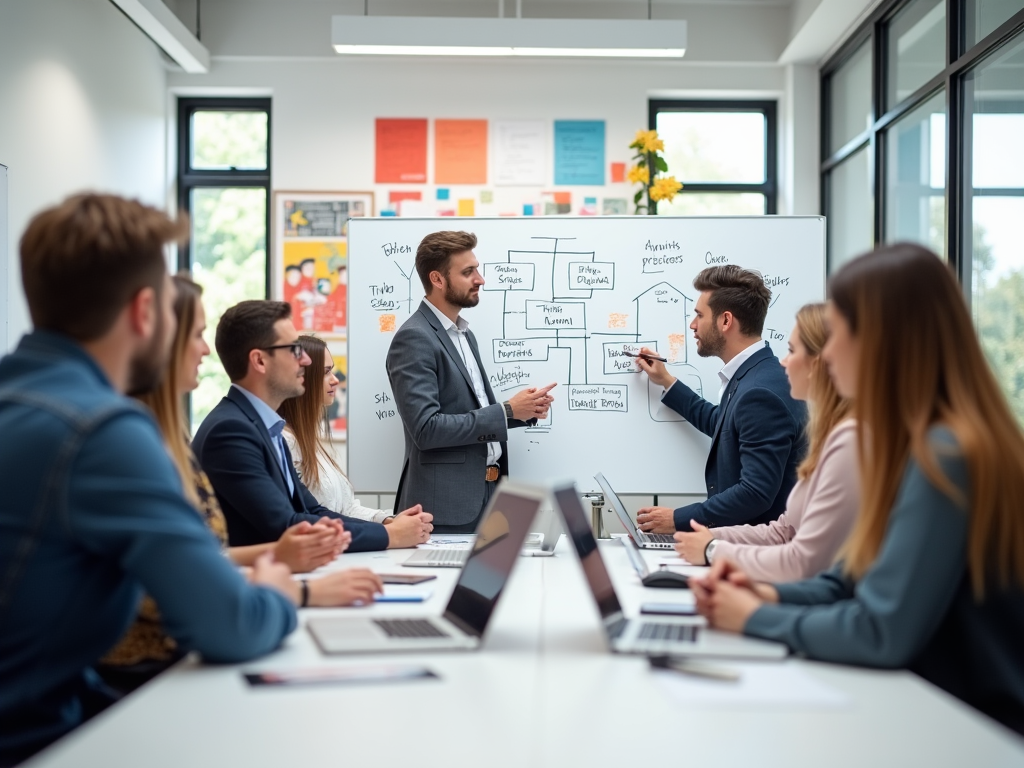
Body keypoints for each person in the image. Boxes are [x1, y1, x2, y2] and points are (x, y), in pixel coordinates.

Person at [0, 194, 298, 767]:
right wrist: (278, 595)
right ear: (143, 312)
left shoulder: (23, 399)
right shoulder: (104, 431)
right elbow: (230, 624)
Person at [690, 244, 1024, 736]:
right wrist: (765, 595)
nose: (828, 352)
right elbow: (845, 580)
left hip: (971, 727)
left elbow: (880, 630)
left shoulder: (947, 454)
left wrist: (756, 616)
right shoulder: (911, 442)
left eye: (839, 331)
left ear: (882, 340)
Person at [101, 278, 385, 690]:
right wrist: (294, 589)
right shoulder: (139, 439)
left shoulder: (169, 435)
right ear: (150, 330)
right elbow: (204, 594)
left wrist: (281, 559)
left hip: (184, 651)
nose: (205, 349)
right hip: (150, 670)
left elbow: (199, 557)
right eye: (196, 334)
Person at [193, 300, 432, 549]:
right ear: (260, 361)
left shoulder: (265, 428)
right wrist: (390, 536)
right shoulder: (231, 431)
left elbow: (313, 510)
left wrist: (388, 528)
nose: (306, 360)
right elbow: (287, 525)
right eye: (294, 350)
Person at [386, 231, 556, 532]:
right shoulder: (415, 338)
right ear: (437, 279)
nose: (480, 279)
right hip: (444, 509)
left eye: (476, 269)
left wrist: (522, 412)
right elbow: (426, 429)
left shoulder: (465, 335)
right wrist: (505, 411)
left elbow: (468, 412)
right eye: (468, 272)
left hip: (488, 497)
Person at [673, 303, 857, 581]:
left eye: (792, 351)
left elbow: (804, 559)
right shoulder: (828, 431)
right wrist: (708, 538)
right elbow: (783, 531)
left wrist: (712, 548)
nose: (784, 363)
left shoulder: (847, 440)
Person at [634, 265, 806, 533]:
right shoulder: (756, 375)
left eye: (699, 315)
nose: (692, 324)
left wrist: (677, 519)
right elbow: (722, 424)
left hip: (757, 559)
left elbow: (755, 492)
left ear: (726, 321)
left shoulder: (760, 392)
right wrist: (667, 381)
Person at [280, 334, 409, 524]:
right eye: (325, 372)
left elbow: (346, 508)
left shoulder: (311, 442)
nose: (334, 380)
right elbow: (313, 516)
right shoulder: (284, 442)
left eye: (332, 371)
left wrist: (388, 520)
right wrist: (389, 532)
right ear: (301, 379)